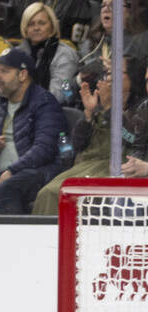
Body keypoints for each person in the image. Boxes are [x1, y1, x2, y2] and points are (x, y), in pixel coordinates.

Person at [34, 57, 148, 213]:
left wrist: (110, 109)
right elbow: (78, 144)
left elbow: (132, 139)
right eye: (109, 72)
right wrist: (89, 114)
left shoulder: (141, 109)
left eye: (117, 72)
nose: (109, 77)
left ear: (133, 77)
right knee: (46, 192)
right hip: (85, 166)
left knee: (53, 193)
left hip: (114, 168)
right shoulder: (102, 103)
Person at [0, 47, 66, 214]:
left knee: (9, 187)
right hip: (3, 173)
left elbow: (44, 149)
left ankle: (11, 239)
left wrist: (13, 170)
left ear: (22, 75)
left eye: (4, 71)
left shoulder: (44, 102)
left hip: (40, 172)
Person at [16, 1, 80, 103]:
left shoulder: (65, 55)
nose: (36, 28)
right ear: (25, 28)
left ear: (52, 26)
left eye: (42, 23)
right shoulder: (15, 54)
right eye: (31, 24)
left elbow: (61, 94)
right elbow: (2, 88)